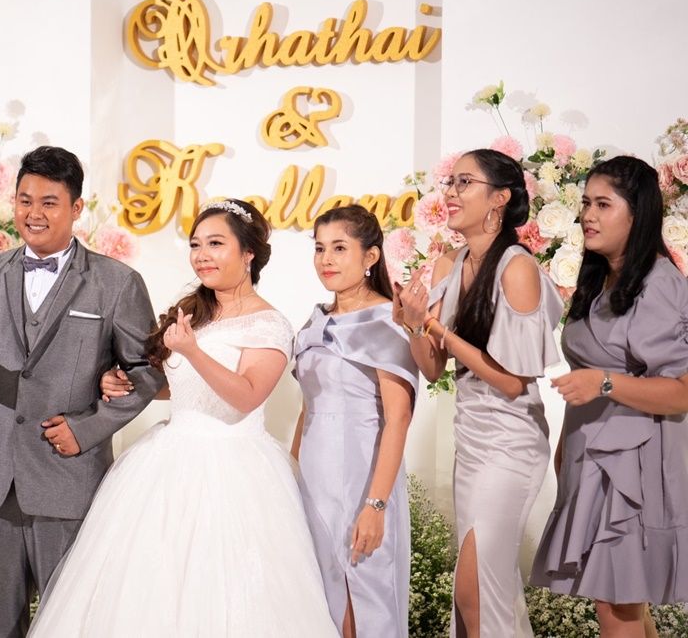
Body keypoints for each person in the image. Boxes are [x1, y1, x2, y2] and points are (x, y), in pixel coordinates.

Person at [32, 199, 338, 636]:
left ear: (248, 253)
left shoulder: (270, 323)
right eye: (196, 245)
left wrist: (192, 350)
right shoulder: (195, 311)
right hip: (166, 460)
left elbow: (246, 396)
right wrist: (125, 382)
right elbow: (183, 387)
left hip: (235, 468)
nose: (202, 255)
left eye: (216, 244)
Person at [0, 145, 165, 637]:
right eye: (24, 200)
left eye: (48, 202)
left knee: (69, 624)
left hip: (68, 475)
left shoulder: (116, 283)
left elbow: (146, 374)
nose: (33, 213)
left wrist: (88, 429)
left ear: (76, 208)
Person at [395, 149, 563, 637]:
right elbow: (433, 369)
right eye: (450, 182)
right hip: (470, 440)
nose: (450, 193)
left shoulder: (517, 266)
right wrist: (413, 326)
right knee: (479, 591)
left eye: (464, 182)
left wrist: (436, 329)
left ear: (499, 198)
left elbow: (512, 381)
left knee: (476, 590)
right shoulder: (449, 264)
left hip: (511, 443)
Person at [531, 156, 688, 637]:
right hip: (593, 454)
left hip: (635, 467)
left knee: (616, 606)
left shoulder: (659, 282)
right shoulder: (599, 277)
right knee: (624, 605)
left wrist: (604, 383)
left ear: (637, 214)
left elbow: (681, 393)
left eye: (603, 204)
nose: (588, 216)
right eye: (585, 204)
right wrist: (566, 443)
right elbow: (588, 375)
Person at [292, 205, 417, 637]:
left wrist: (376, 506)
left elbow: (399, 419)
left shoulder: (387, 322)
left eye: (339, 248)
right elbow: (307, 408)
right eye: (320, 248)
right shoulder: (315, 322)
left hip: (363, 477)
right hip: (314, 478)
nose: (326, 259)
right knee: (319, 599)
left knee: (367, 597)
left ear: (371, 256)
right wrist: (289, 477)